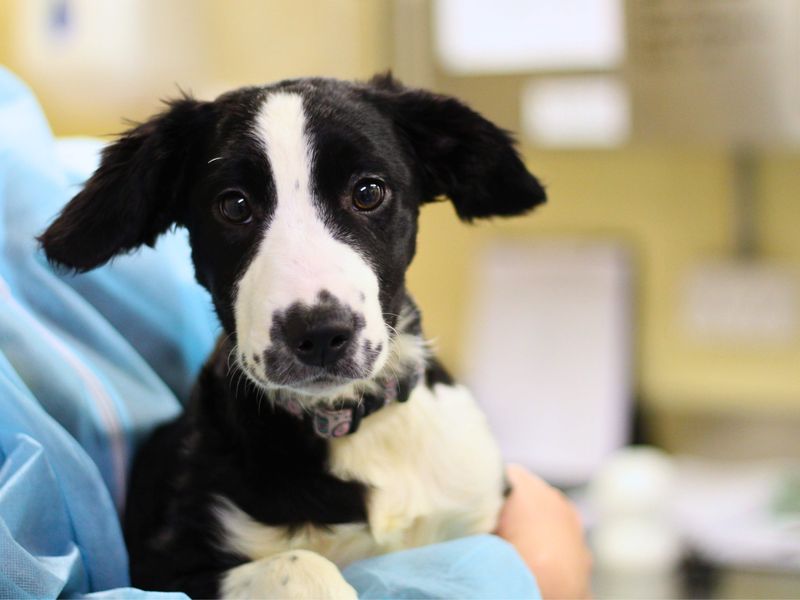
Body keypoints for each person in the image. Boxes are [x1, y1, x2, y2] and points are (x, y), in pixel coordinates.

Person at [0, 66, 590, 599]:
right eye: (236, 207)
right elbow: (170, 577)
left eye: (366, 194)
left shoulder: (462, 458)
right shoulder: (219, 470)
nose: (313, 303)